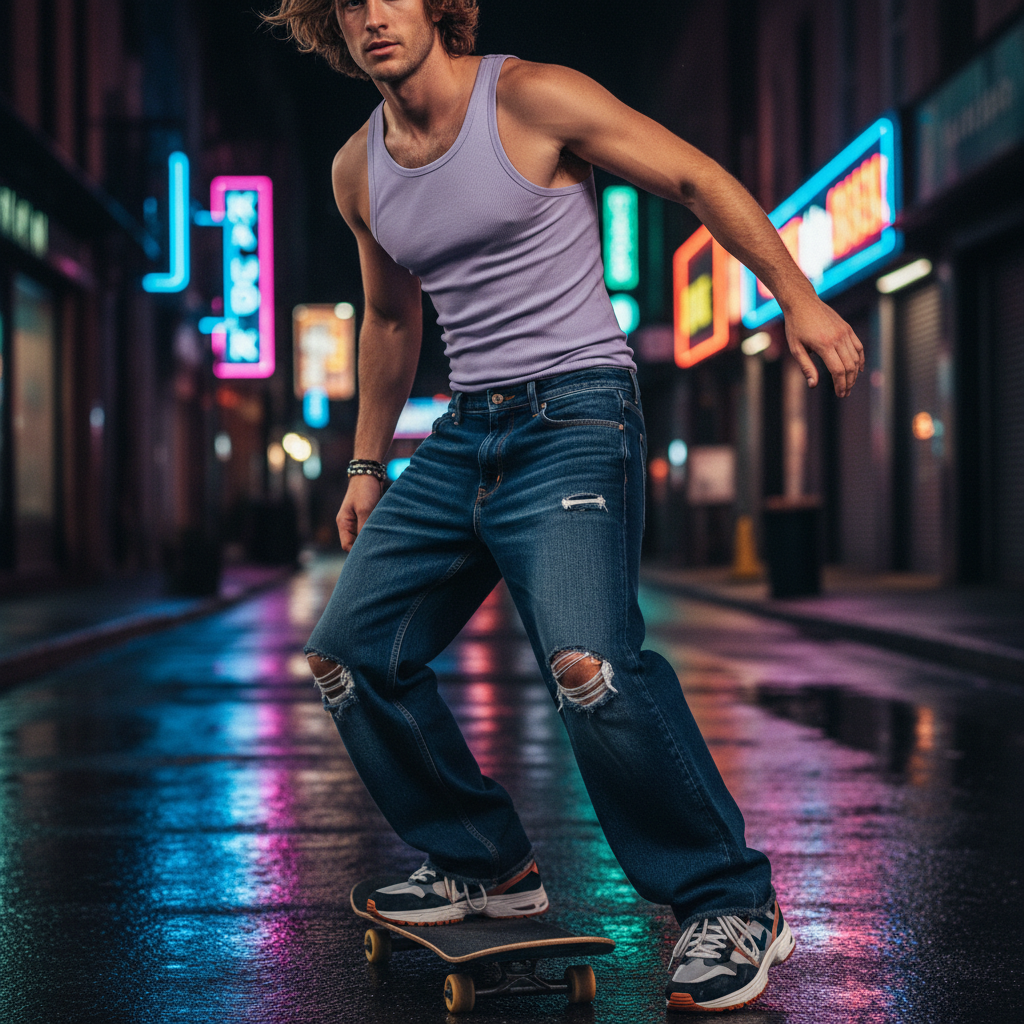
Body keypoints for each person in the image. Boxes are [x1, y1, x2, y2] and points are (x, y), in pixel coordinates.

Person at [267, 0, 864, 1011]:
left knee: (588, 666)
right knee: (348, 651)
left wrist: (796, 295)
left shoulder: (530, 97)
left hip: (576, 414)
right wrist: (365, 467)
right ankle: (485, 866)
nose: (374, 15)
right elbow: (387, 314)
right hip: (464, 434)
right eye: (348, 2)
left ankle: (726, 900)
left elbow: (693, 177)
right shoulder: (355, 169)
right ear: (330, 25)